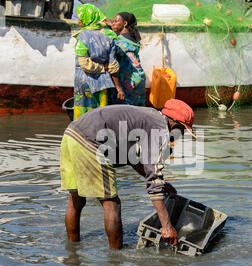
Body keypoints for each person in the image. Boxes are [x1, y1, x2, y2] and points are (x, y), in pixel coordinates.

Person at [60, 99, 195, 249]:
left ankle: (72, 250)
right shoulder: (160, 130)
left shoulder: (148, 117)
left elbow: (134, 159)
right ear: (175, 125)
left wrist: (164, 184)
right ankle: (116, 259)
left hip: (71, 134)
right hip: (90, 141)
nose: (180, 136)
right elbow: (154, 182)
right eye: (182, 132)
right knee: (112, 203)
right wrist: (167, 226)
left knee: (76, 199)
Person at [73, 4, 125, 120]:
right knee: (100, 115)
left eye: (81, 19)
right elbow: (113, 66)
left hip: (84, 81)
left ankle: (81, 135)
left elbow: (84, 64)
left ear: (88, 19)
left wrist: (102, 68)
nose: (79, 22)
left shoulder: (83, 36)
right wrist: (119, 88)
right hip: (104, 82)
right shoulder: (109, 36)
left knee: (83, 114)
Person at [111, 12, 146, 106]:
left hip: (128, 80)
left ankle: (124, 122)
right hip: (139, 76)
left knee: (124, 113)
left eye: (116, 21)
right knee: (137, 111)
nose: (113, 23)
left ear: (125, 23)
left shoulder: (119, 41)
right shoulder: (132, 38)